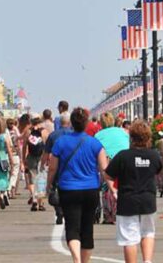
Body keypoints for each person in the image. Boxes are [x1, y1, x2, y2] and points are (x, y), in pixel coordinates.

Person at [47, 107, 108, 263]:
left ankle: (76, 259)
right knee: (87, 228)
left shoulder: (61, 142)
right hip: (90, 190)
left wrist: (49, 185)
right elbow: (104, 169)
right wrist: (112, 188)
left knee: (72, 227)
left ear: (71, 123)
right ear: (86, 123)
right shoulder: (95, 143)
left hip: (68, 189)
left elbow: (52, 167)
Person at [104, 121, 163, 263]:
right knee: (148, 232)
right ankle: (147, 261)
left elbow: (108, 175)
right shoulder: (154, 155)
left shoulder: (123, 156)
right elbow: (158, 170)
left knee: (129, 238)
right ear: (148, 138)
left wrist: (114, 190)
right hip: (148, 200)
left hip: (127, 200)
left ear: (131, 137)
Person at [95, 112, 129, 224]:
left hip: (108, 162)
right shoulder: (123, 132)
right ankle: (119, 211)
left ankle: (108, 215)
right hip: (124, 161)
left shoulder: (98, 135)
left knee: (106, 187)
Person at [44, 111, 72, 225]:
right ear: (69, 122)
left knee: (55, 188)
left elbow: (46, 152)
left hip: (56, 164)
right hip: (70, 165)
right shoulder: (74, 134)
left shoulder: (54, 135)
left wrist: (43, 164)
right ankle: (66, 210)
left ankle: (59, 210)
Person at [23, 116, 49, 211]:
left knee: (32, 179)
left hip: (31, 157)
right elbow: (48, 148)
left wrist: (23, 158)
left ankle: (34, 199)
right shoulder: (45, 132)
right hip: (42, 157)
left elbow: (24, 146)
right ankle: (41, 203)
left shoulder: (28, 132)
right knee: (41, 179)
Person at [5, 117, 22, 198]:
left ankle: (6, 190)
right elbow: (18, 144)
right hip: (14, 154)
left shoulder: (4, 132)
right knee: (14, 173)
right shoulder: (15, 132)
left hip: (6, 154)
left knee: (7, 173)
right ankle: (11, 190)